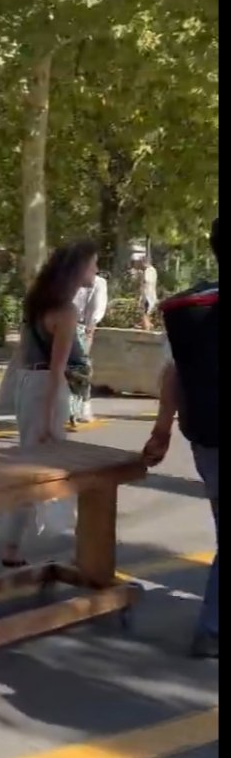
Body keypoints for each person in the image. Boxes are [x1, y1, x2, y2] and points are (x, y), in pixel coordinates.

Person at [0, 240, 98, 567]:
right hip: (45, 388)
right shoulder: (66, 311)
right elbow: (57, 369)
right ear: (77, 270)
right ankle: (33, 540)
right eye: (92, 264)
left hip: (27, 384)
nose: (95, 270)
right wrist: (51, 417)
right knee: (42, 468)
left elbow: (22, 355)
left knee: (30, 465)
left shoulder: (37, 305)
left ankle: (13, 541)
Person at [143, 219, 219, 659]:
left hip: (206, 436)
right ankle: (210, 629)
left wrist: (161, 430)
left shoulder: (192, 308)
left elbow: (173, 373)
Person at [70, 271, 108, 424]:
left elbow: (97, 308)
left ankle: (82, 407)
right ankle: (75, 408)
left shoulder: (97, 282)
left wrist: (91, 327)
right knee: (76, 367)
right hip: (71, 326)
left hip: (80, 327)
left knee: (79, 368)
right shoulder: (68, 280)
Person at [139, 254, 158, 331]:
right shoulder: (153, 270)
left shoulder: (148, 270)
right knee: (147, 312)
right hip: (150, 294)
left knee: (145, 312)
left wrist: (141, 276)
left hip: (147, 294)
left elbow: (146, 281)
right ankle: (147, 325)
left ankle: (147, 328)